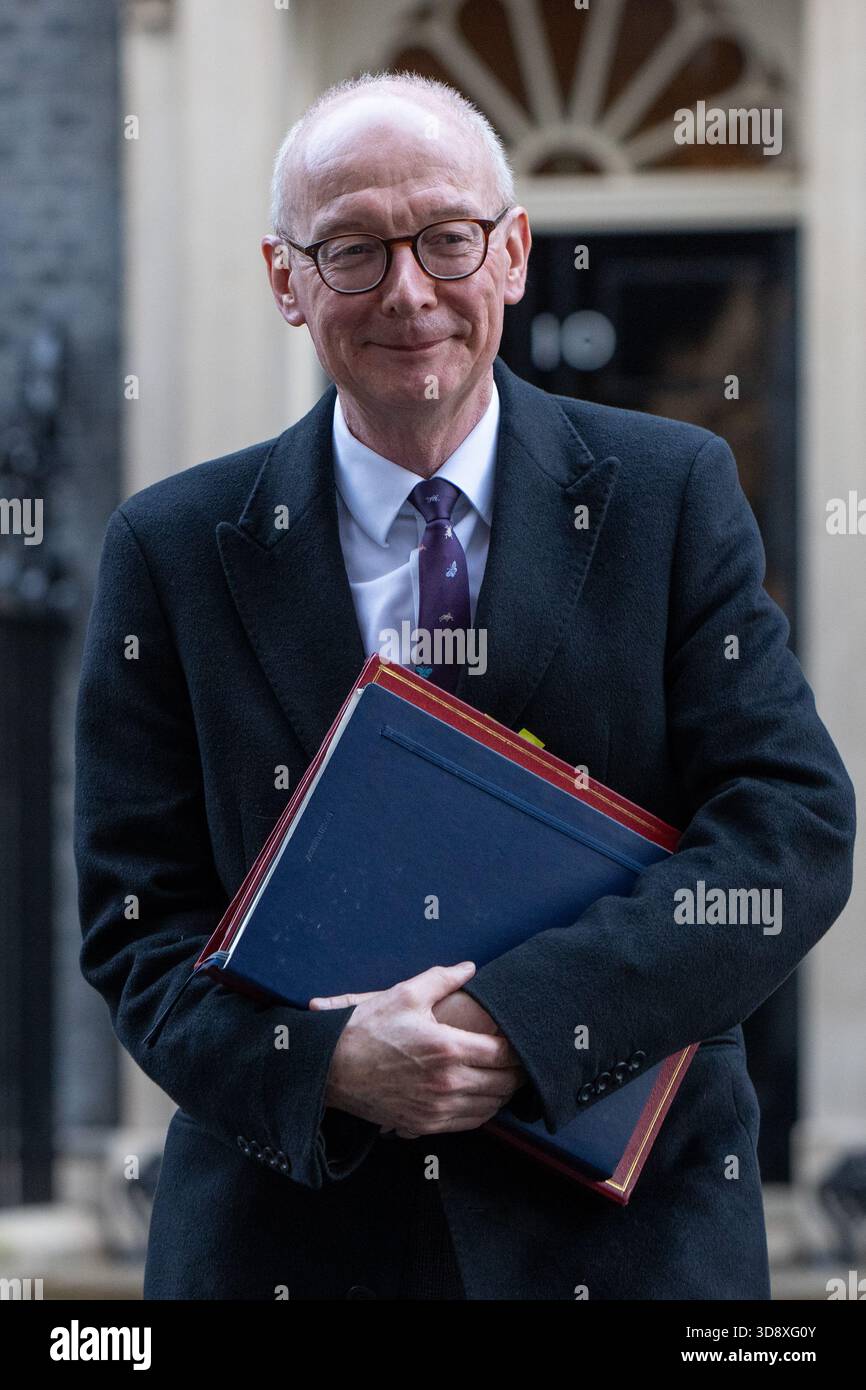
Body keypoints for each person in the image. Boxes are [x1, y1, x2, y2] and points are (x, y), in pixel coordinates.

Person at [76, 71, 856, 1300]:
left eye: (445, 238)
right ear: (285, 278)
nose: (408, 290)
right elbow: (134, 931)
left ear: (512, 253)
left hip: (632, 1249)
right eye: (350, 249)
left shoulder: (671, 493)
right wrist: (328, 1060)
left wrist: (515, 1023)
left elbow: (787, 835)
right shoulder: (171, 550)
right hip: (292, 1245)